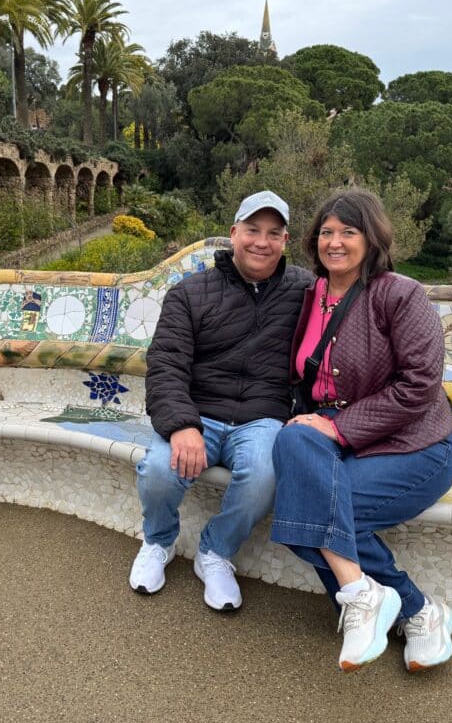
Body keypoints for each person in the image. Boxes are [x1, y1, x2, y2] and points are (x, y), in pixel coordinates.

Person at [270, 188, 452, 672]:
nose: (334, 242)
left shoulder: (400, 294)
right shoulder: (309, 295)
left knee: (314, 512)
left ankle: (409, 609)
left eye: (348, 232)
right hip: (340, 439)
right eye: (326, 232)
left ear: (371, 238)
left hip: (415, 443)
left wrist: (340, 429)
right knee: (293, 443)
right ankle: (390, 603)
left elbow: (420, 385)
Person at [129, 190, 313, 611]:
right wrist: (181, 425)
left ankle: (215, 552)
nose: (261, 242)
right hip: (199, 413)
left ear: (285, 240)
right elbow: (166, 364)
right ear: (233, 233)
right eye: (252, 230)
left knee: (265, 475)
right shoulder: (189, 294)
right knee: (158, 470)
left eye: (273, 233)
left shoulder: (305, 291)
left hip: (263, 417)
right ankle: (158, 541)